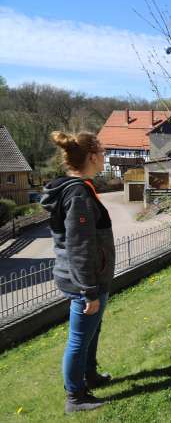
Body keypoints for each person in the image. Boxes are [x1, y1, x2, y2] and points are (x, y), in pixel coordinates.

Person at [41, 131, 115, 413]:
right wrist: (89, 291)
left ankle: (90, 374)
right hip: (84, 282)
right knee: (79, 337)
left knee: (92, 330)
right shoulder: (78, 194)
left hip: (90, 279)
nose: (105, 157)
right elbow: (80, 247)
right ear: (92, 157)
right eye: (103, 152)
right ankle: (75, 396)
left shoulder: (77, 188)